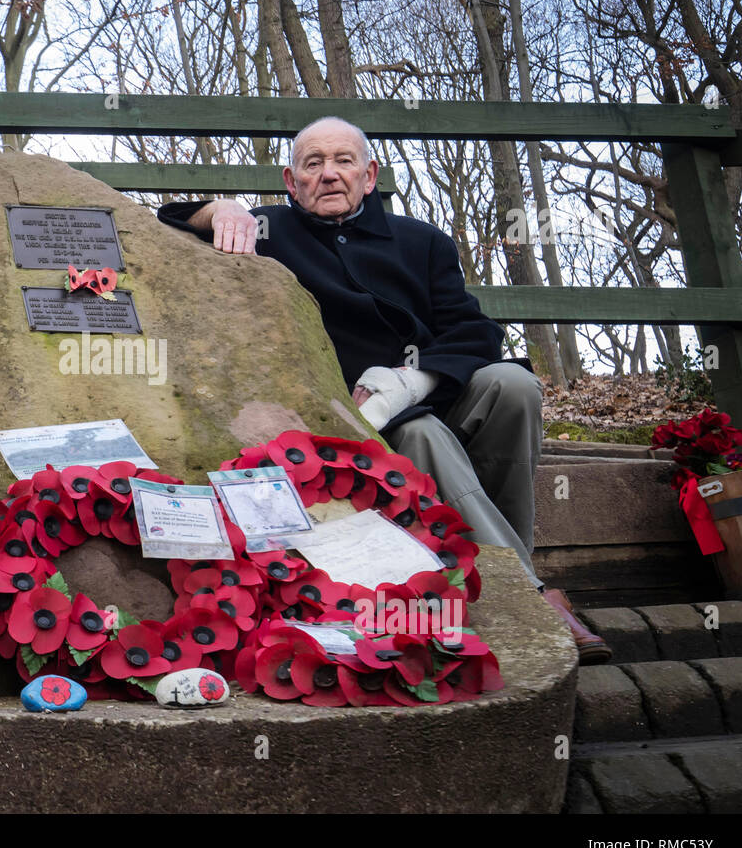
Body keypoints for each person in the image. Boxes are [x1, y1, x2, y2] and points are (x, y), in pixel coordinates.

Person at [156, 116, 611, 664]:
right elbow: (172, 217)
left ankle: (509, 566)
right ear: (290, 180)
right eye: (313, 163)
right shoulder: (270, 230)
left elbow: (476, 333)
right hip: (353, 418)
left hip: (433, 389)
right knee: (418, 432)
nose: (329, 175)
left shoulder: (421, 242)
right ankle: (531, 593)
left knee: (513, 384)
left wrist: (407, 382)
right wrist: (221, 210)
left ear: (369, 176)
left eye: (344, 161)